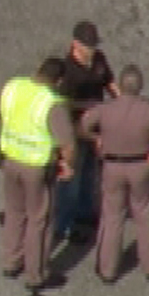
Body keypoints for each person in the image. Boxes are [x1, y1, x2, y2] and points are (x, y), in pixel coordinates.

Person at [80, 65, 149, 283]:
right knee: (145, 215)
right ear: (140, 87)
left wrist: (95, 139)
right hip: (141, 166)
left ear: (121, 86)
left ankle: (108, 269)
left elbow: (83, 125)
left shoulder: (106, 109)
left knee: (113, 217)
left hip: (112, 166)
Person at [0, 57, 76, 291]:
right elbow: (68, 144)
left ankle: (11, 262)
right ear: (58, 81)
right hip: (37, 170)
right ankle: (35, 275)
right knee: (39, 220)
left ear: (37, 70)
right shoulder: (52, 103)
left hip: (9, 161)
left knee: (14, 212)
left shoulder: (12, 87)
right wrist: (66, 165)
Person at [54, 21, 118, 244]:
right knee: (73, 176)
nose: (91, 50)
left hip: (97, 126)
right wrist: (89, 105)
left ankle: (86, 212)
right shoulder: (67, 71)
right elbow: (63, 104)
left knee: (91, 172)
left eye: (93, 45)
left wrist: (123, 101)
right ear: (75, 44)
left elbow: (109, 82)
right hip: (76, 130)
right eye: (87, 46)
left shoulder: (99, 59)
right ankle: (64, 223)